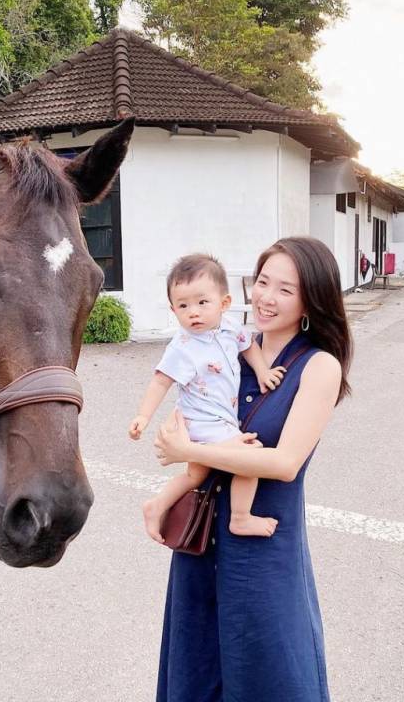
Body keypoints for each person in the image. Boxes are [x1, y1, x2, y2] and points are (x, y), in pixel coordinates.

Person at [153, 236, 352, 702]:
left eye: (285, 289)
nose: (266, 297)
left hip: (264, 548)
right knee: (198, 668)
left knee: (270, 674)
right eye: (262, 281)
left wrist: (190, 450)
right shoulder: (227, 346)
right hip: (202, 541)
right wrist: (175, 470)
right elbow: (187, 422)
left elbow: (283, 463)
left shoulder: (319, 367)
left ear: (311, 300)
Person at [128, 254, 285, 542]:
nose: (194, 313)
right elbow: (161, 381)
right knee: (251, 458)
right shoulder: (183, 347)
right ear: (173, 310)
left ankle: (156, 505)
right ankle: (240, 518)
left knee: (195, 475)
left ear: (224, 303)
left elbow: (249, 346)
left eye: (202, 302)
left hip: (220, 419)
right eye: (183, 306)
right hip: (202, 422)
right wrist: (143, 415)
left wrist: (263, 371)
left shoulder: (230, 328)